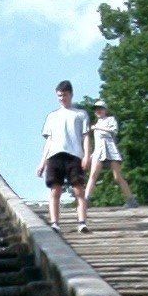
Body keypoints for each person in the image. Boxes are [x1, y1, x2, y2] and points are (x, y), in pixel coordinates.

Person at [36, 80, 92, 233]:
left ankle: (82, 222)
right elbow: (49, 141)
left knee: (78, 189)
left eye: (64, 95)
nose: (62, 98)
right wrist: (42, 163)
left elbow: (86, 136)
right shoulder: (52, 116)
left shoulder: (81, 114)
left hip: (74, 155)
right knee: (55, 190)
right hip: (55, 155)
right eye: (59, 96)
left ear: (71, 95)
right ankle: (55, 223)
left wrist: (87, 155)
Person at [85, 100, 138, 207]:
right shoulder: (96, 125)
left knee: (117, 176)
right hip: (99, 151)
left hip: (110, 149)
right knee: (93, 175)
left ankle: (131, 200)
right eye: (96, 109)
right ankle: (85, 199)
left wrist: (97, 128)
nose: (98, 111)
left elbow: (113, 131)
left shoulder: (110, 120)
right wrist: (92, 153)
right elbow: (98, 142)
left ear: (105, 110)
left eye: (100, 108)